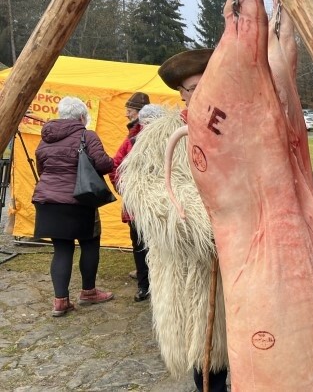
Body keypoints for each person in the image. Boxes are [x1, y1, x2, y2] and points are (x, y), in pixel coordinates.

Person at [120, 48, 229, 392]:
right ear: (182, 93)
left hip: (243, 264)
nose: (203, 93)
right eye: (195, 87)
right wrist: (205, 222)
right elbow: (147, 193)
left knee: (251, 346)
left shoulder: (241, 129)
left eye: (210, 84)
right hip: (192, 267)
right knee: (208, 355)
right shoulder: (160, 137)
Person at [31, 96, 115, 317]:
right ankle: (88, 292)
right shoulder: (87, 135)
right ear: (81, 117)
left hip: (48, 200)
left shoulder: (46, 138)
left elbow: (42, 167)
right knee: (89, 243)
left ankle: (60, 302)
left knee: (62, 249)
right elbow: (103, 164)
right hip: (79, 200)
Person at [109, 92, 152, 301]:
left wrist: (125, 190)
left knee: (140, 245)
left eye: (130, 111)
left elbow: (115, 166)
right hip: (160, 206)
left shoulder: (134, 138)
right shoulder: (136, 136)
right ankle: (150, 281)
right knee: (154, 246)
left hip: (139, 205)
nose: (126, 114)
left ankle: (145, 285)